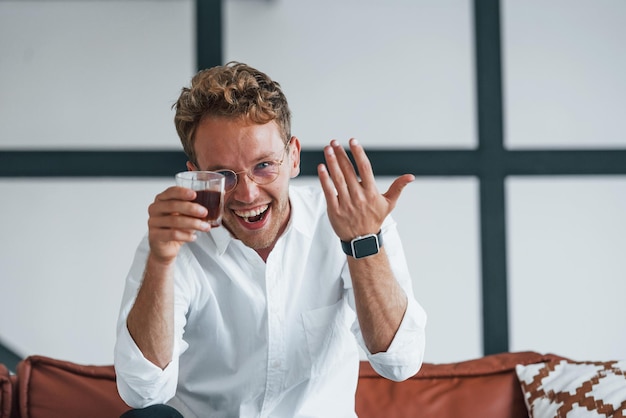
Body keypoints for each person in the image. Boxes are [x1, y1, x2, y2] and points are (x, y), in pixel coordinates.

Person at [114, 62, 427, 418]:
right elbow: (142, 392)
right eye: (223, 175)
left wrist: (363, 243)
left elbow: (400, 363)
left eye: (263, 165)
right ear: (197, 177)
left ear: (293, 157)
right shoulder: (171, 241)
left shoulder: (352, 222)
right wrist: (161, 261)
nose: (247, 194)